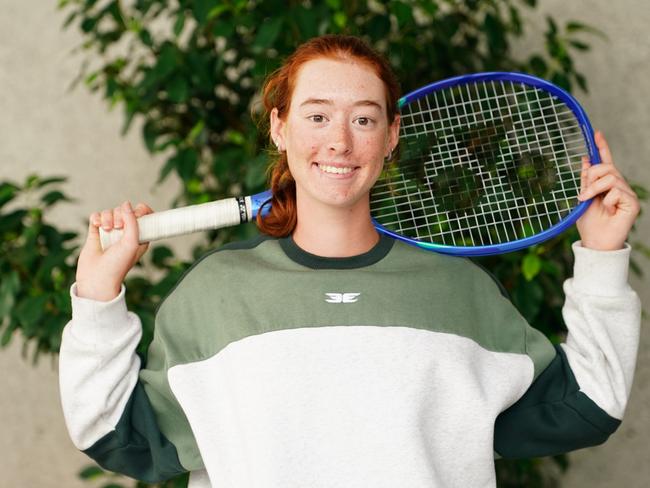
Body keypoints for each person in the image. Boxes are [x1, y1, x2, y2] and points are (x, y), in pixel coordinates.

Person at [59, 35, 642, 488]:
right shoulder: (214, 293)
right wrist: (97, 301)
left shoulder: (460, 291)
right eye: (316, 116)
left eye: (363, 119)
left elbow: (588, 405)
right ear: (279, 127)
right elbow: (116, 434)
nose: (339, 141)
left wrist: (602, 255)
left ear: (391, 136)